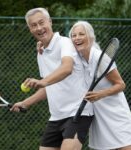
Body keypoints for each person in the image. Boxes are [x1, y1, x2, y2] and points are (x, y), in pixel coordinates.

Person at [10, 8, 94, 150]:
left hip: (78, 112)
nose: (39, 28)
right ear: (30, 29)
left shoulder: (65, 43)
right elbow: (49, 87)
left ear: (50, 22)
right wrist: (26, 102)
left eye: (42, 22)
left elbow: (67, 68)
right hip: (56, 117)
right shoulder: (41, 53)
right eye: (34, 25)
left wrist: (42, 82)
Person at [69, 21, 131, 150]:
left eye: (81, 34)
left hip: (116, 114)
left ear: (91, 38)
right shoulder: (76, 59)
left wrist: (101, 94)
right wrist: (43, 45)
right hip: (98, 117)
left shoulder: (100, 57)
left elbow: (121, 85)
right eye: (74, 35)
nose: (77, 38)